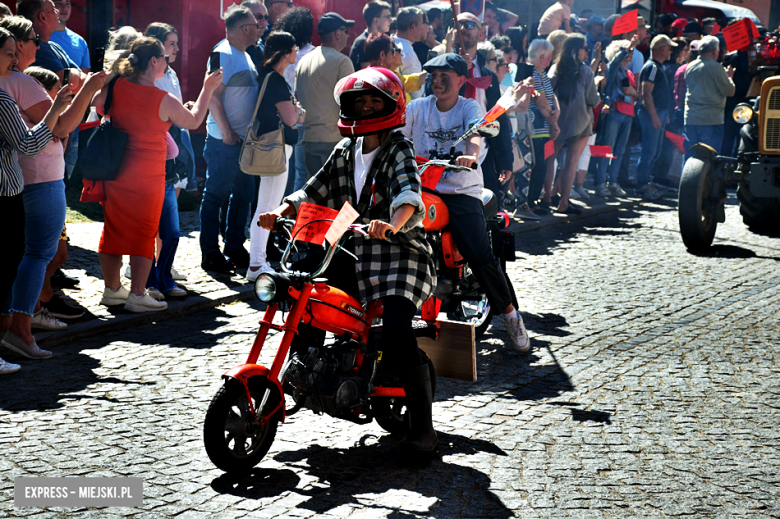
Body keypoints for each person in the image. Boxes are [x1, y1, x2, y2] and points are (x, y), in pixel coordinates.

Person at [259, 68, 439, 456]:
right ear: (350, 107)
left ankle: (424, 430)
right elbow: (314, 189)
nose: (368, 107)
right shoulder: (344, 150)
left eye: (376, 101)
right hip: (353, 247)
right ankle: (306, 371)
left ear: (391, 105)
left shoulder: (398, 148)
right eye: (361, 101)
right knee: (307, 297)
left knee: (395, 326)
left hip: (399, 252)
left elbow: (408, 192)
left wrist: (391, 225)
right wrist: (280, 209)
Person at [407, 53, 530, 353]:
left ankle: (512, 317)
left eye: (444, 75)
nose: (437, 80)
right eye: (433, 75)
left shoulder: (468, 106)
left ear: (462, 80)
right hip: (422, 186)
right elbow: (399, 136)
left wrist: (470, 155)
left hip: (459, 188)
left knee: (479, 254)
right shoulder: (417, 107)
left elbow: (476, 133)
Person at [93, 37, 222, 312]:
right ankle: (138, 294)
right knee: (143, 233)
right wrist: (207, 88)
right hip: (148, 175)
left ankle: (112, 289)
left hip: (115, 171)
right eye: (163, 56)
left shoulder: (118, 86)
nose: (166, 60)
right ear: (154, 61)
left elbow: (98, 104)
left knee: (113, 230)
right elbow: (194, 120)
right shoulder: (162, 97)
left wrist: (116, 73)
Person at [0, 26, 71, 369]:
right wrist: (57, 106)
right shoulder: (5, 95)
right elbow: (29, 143)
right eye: (8, 52)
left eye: (16, 51)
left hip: (16, 187)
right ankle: (16, 334)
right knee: (24, 258)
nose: (15, 59)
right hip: (11, 188)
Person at [200, 5, 260, 273]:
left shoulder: (243, 54)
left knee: (243, 195)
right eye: (256, 25)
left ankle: (234, 246)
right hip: (224, 142)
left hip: (241, 141)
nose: (259, 29)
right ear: (245, 28)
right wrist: (226, 132)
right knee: (215, 196)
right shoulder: (223, 53)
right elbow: (212, 95)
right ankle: (210, 253)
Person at [246, 31, 303, 280]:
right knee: (268, 207)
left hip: (274, 147)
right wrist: (300, 112)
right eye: (294, 47)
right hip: (275, 148)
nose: (297, 52)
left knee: (265, 204)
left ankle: (256, 263)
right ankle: (256, 265)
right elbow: (292, 118)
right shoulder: (276, 80)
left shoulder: (270, 77)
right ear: (285, 52)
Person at [295, 12, 354, 180]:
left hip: (308, 139)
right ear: (337, 33)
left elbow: (297, 97)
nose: (348, 36)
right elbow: (350, 104)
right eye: (346, 31)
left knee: (313, 196)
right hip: (334, 140)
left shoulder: (303, 61)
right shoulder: (342, 61)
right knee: (337, 196)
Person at [545, 34, 600, 214]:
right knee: (571, 164)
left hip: (557, 123)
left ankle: (546, 199)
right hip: (580, 123)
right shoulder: (586, 72)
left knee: (549, 161)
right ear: (576, 51)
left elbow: (547, 94)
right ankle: (563, 203)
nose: (588, 51)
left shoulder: (555, 68)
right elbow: (592, 99)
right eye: (585, 48)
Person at [274, 6, 314, 195]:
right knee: (300, 172)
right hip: (302, 118)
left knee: (280, 174)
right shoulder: (313, 54)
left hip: (279, 118)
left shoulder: (280, 54)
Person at [517, 39, 559, 216]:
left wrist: (556, 110)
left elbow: (550, 97)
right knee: (537, 165)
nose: (550, 60)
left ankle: (534, 199)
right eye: (549, 56)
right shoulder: (533, 73)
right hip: (537, 128)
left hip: (545, 128)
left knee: (543, 165)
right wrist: (554, 123)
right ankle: (530, 201)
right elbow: (540, 100)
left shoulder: (542, 74)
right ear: (542, 56)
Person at [595, 38, 637, 197]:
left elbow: (632, 92)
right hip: (615, 111)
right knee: (607, 148)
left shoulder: (629, 72)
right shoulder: (613, 69)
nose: (630, 53)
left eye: (632, 51)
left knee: (620, 149)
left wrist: (633, 92)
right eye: (627, 51)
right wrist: (630, 45)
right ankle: (600, 183)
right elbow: (629, 91)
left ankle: (613, 181)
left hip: (628, 113)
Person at [636, 35, 676, 200]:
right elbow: (646, 93)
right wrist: (654, 115)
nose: (671, 51)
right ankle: (642, 185)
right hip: (652, 113)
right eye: (669, 48)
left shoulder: (656, 67)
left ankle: (645, 183)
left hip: (659, 113)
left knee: (655, 151)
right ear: (662, 49)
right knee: (649, 151)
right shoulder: (652, 67)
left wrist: (662, 115)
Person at [683, 35, 734, 158]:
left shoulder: (690, 66)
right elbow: (730, 91)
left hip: (691, 118)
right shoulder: (716, 68)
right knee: (709, 158)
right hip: (711, 120)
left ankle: (688, 177)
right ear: (715, 51)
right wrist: (729, 77)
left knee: (691, 156)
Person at [350, 0, 391, 70]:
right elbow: (370, 74)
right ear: (376, 20)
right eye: (387, 17)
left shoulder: (380, 41)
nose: (391, 20)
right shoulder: (362, 42)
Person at [393, 6, 425, 99]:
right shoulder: (406, 52)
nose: (422, 29)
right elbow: (416, 94)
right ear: (412, 27)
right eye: (421, 24)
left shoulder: (391, 43)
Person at [49, 0, 88, 72]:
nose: (64, 8)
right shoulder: (39, 37)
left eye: (67, 4)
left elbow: (85, 76)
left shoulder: (80, 41)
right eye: (58, 3)